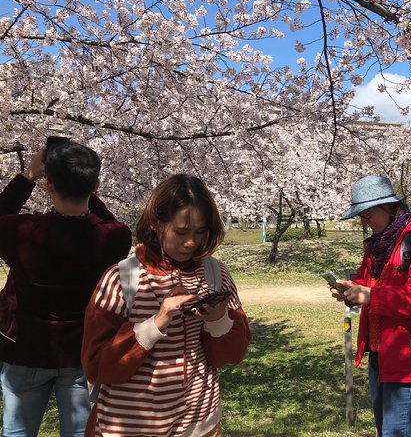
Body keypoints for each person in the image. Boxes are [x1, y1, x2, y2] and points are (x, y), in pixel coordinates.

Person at [81, 173, 251, 437]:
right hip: (129, 425)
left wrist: (219, 319)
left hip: (200, 423)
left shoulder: (216, 274)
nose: (191, 242)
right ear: (157, 224)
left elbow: (230, 355)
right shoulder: (122, 279)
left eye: (200, 231)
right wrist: (155, 323)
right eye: (181, 232)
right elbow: (96, 366)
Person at [0, 139, 132, 437]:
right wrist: (87, 190)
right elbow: (107, 222)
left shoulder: (20, 232)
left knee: (17, 432)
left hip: (25, 349)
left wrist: (27, 177)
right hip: (81, 351)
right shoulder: (114, 237)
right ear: (96, 184)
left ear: (49, 186)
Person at [331, 175, 411, 436]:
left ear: (388, 207)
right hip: (380, 354)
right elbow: (369, 282)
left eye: (368, 213)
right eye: (360, 215)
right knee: (390, 430)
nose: (364, 221)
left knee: (398, 432)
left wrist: (372, 295)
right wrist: (350, 290)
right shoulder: (378, 244)